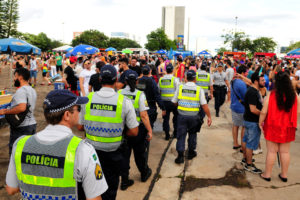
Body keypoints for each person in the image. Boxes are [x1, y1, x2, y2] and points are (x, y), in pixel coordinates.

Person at [5, 89, 108, 199]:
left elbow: (11, 189)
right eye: (78, 109)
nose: (80, 112)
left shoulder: (20, 145)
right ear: (67, 115)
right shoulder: (83, 150)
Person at [78, 65, 138, 200]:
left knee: (88, 189)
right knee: (110, 189)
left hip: (90, 153)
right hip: (113, 154)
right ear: (116, 79)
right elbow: (134, 131)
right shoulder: (124, 102)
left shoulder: (87, 99)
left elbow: (80, 127)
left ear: (100, 79)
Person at [259, 71, 300, 182]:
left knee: (272, 151)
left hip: (273, 125)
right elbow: (297, 112)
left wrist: (260, 122)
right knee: (285, 152)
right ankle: (284, 175)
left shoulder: (272, 94)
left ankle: (267, 175)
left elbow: (263, 111)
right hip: (288, 127)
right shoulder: (295, 95)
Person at [119, 70, 153, 190]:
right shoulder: (140, 94)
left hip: (123, 130)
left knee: (124, 155)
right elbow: (144, 115)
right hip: (138, 130)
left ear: (125, 81)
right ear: (137, 81)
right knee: (139, 154)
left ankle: (124, 180)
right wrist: (150, 130)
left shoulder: (119, 93)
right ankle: (144, 173)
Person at [172, 70, 212, 164]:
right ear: (195, 78)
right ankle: (190, 152)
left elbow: (174, 102)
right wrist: (209, 117)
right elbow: (204, 105)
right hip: (194, 117)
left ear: (186, 78)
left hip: (182, 116)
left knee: (181, 135)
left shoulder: (180, 87)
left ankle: (180, 156)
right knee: (192, 134)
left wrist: (180, 105)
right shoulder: (199, 89)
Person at [0, 68, 37, 155]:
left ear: (20, 77)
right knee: (28, 153)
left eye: (15, 76)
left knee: (16, 153)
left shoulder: (21, 91)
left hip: (22, 127)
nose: (14, 79)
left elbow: (22, 107)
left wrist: (5, 111)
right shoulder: (32, 90)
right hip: (31, 124)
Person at [241, 71, 265, 173]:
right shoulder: (252, 92)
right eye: (262, 80)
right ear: (256, 81)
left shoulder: (254, 90)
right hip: (252, 121)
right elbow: (253, 109)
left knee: (246, 140)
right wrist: (264, 114)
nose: (264, 81)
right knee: (250, 143)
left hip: (248, 120)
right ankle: (249, 164)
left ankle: (246, 159)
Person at [158, 64, 179, 140]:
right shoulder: (175, 79)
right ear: (172, 70)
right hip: (174, 102)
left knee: (166, 119)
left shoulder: (161, 79)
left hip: (164, 102)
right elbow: (178, 91)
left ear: (166, 71)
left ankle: (167, 135)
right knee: (176, 118)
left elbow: (158, 91)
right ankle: (176, 134)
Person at [230, 65, 247, 150]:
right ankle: (242, 146)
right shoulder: (242, 83)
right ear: (243, 73)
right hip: (242, 108)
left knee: (235, 125)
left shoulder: (233, 81)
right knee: (243, 126)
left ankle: (235, 143)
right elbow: (245, 96)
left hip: (233, 106)